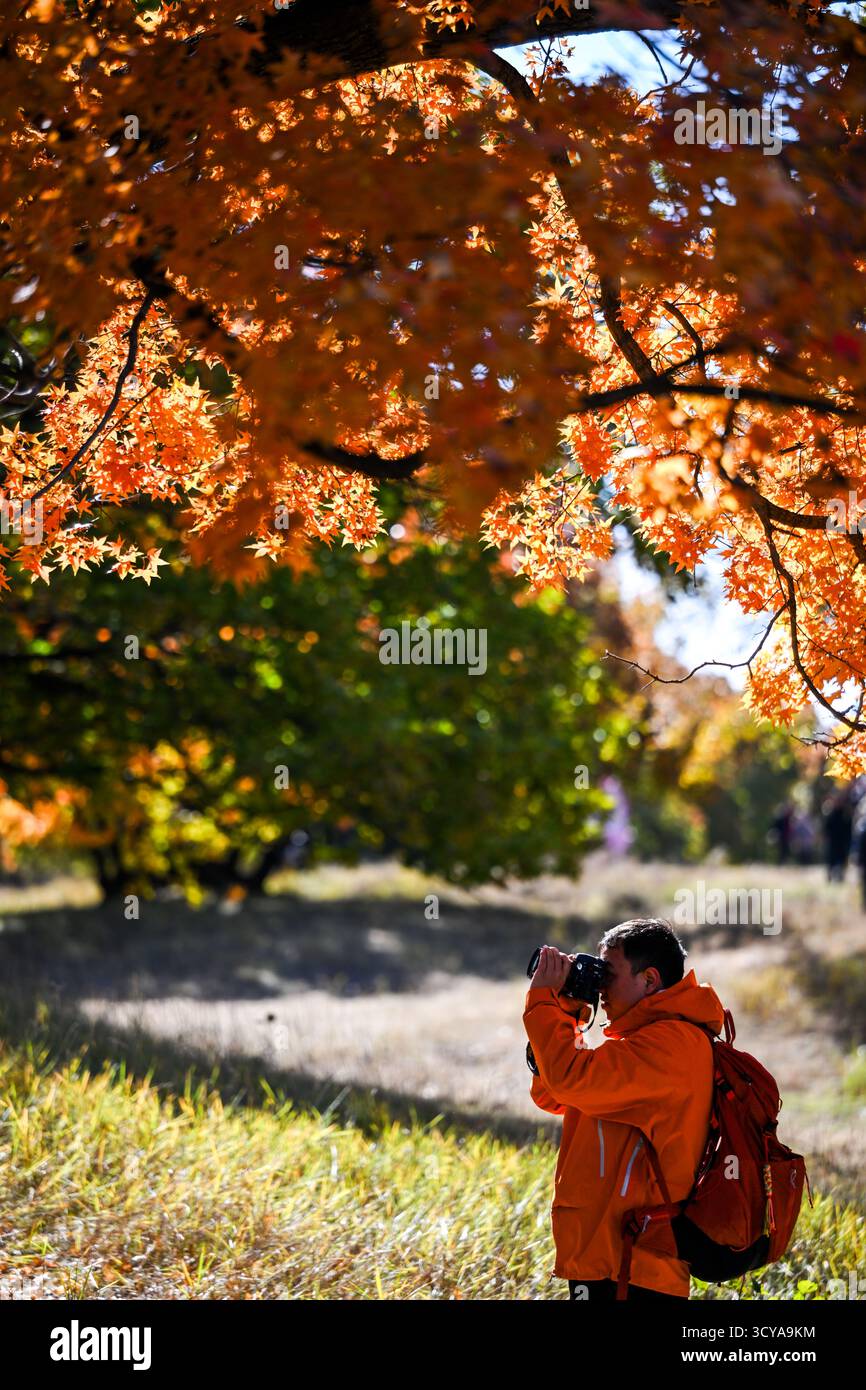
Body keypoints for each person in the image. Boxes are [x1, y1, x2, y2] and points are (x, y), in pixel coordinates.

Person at [523, 918, 725, 1302]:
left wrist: (543, 1002)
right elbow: (555, 1096)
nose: (601, 988)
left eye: (609, 974)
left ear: (649, 980)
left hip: (636, 1262)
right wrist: (567, 1013)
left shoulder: (672, 1044)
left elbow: (569, 1081)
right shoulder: (643, 1041)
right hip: (605, 1252)